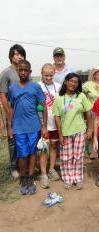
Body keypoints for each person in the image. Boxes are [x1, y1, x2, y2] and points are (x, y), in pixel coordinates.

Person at [8, 60, 47, 195]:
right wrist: (10, 127)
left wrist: (44, 127)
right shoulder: (12, 88)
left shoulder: (35, 87)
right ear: (17, 71)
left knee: (32, 153)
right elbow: (11, 109)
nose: (23, 72)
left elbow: (44, 107)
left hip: (34, 126)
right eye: (20, 70)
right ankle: (23, 178)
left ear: (30, 72)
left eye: (26, 70)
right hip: (18, 128)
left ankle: (30, 178)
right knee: (22, 154)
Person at [53, 73, 92, 190]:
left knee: (78, 156)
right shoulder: (59, 98)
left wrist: (89, 129)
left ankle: (78, 178)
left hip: (80, 131)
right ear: (65, 82)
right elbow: (57, 117)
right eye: (71, 81)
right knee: (66, 157)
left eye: (76, 82)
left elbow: (88, 112)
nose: (73, 83)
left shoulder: (81, 96)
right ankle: (68, 179)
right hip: (65, 133)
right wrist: (60, 134)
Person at [0, 44, 26, 179]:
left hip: (25, 112)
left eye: (21, 54)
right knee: (13, 140)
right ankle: (14, 167)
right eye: (16, 54)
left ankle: (24, 165)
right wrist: (9, 112)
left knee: (24, 138)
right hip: (12, 111)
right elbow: (3, 95)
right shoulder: (6, 73)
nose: (19, 56)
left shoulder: (24, 71)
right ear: (11, 56)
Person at [38, 63, 61, 188]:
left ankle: (51, 169)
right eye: (46, 75)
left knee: (53, 146)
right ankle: (43, 174)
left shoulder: (58, 86)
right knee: (44, 148)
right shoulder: (38, 86)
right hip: (43, 122)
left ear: (54, 74)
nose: (48, 78)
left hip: (56, 122)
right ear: (41, 74)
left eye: (50, 75)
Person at [83, 67, 99, 157]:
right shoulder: (87, 85)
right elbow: (81, 94)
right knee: (90, 130)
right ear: (94, 75)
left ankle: (96, 150)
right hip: (91, 111)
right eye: (98, 73)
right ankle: (87, 150)